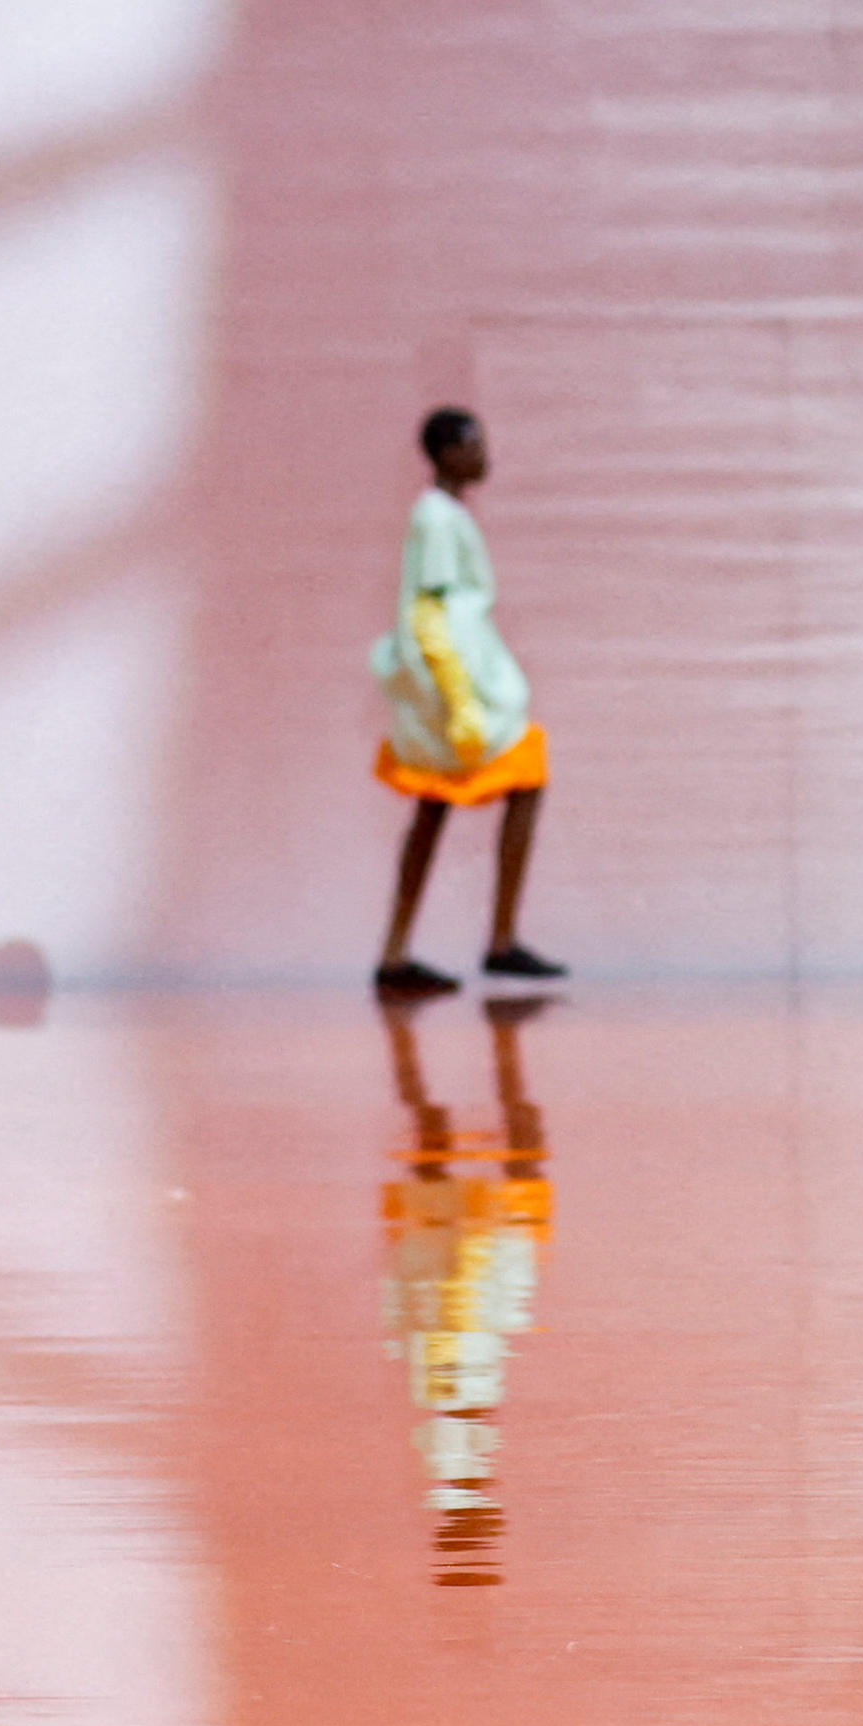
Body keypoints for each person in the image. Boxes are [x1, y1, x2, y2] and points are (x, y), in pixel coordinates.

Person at [371, 407, 561, 993]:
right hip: (453, 688)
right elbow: (429, 615)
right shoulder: (435, 518)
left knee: (439, 808)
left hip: (459, 683)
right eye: (474, 443)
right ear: (448, 452)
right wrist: (459, 701)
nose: (483, 454)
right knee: (513, 781)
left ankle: (406, 949)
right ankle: (488, 941)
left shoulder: (443, 515)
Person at [380, 989, 554, 1587]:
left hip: (458, 1295)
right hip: (463, 1296)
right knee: (487, 1146)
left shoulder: (454, 1420)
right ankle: (488, 1055)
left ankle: (470, 1058)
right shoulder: (454, 1420)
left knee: (461, 1146)